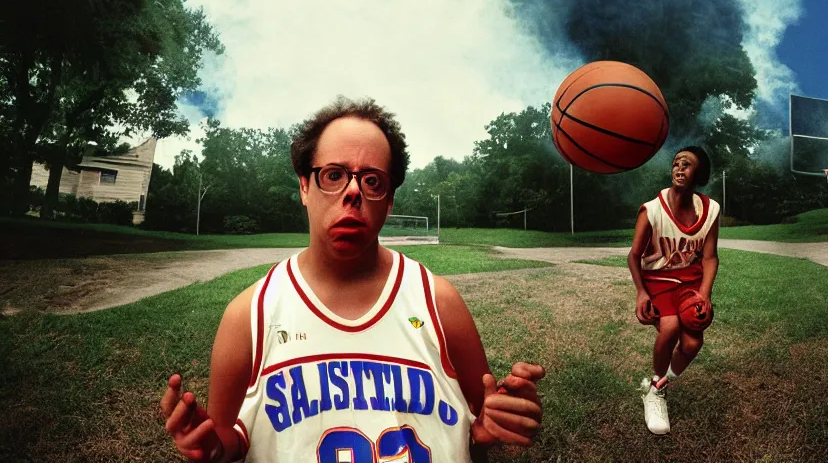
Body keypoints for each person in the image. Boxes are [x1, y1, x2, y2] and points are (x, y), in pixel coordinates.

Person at [158, 96, 545, 462]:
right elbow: (228, 441)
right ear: (305, 186)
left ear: (389, 201)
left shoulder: (438, 302)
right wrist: (207, 445)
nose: (354, 191)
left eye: (373, 181)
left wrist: (499, 419)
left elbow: (481, 425)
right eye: (333, 175)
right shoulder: (249, 316)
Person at [627, 145, 721, 435]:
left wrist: (704, 294)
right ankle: (656, 391)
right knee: (669, 328)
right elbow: (633, 256)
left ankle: (658, 383)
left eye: (688, 164)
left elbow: (709, 257)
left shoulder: (710, 210)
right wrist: (642, 293)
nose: (680, 168)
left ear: (698, 173)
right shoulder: (652, 210)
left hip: (690, 282)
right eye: (676, 163)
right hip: (658, 280)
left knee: (692, 344)